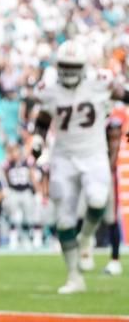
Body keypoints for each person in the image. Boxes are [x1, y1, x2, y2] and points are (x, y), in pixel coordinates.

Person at [30, 39, 129, 293]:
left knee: (98, 199)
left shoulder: (100, 81)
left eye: (73, 65)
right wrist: (39, 139)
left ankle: (86, 238)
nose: (68, 71)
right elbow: (43, 119)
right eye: (64, 65)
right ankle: (74, 277)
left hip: (94, 152)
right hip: (63, 156)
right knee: (64, 221)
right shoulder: (49, 89)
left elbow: (126, 96)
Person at [3, 144, 37, 249]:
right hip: (14, 190)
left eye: (16, 151)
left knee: (27, 216)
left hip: (25, 190)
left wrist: (37, 190)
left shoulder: (26, 162)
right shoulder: (9, 164)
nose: (14, 154)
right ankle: (13, 239)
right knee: (14, 216)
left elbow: (32, 176)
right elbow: (6, 175)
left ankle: (26, 238)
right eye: (13, 152)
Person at [103, 119, 123, 276]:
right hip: (96, 177)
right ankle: (84, 252)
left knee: (112, 220)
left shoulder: (114, 145)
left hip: (109, 178)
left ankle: (115, 260)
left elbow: (112, 163)